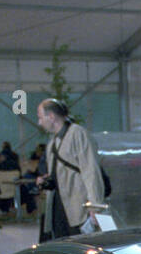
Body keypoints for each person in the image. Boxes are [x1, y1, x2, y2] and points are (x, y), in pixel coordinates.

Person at [36, 98, 110, 238]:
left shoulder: (78, 134)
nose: (39, 123)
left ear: (51, 116)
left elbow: (90, 171)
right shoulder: (53, 142)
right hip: (59, 207)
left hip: (78, 208)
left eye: (40, 117)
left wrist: (95, 206)